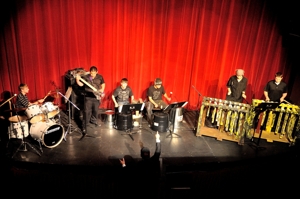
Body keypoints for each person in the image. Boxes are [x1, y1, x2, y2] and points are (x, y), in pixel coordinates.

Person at [76, 66, 105, 133]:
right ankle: (84, 126)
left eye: (94, 73)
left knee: (95, 110)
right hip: (88, 97)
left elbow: (103, 83)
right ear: (90, 72)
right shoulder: (86, 77)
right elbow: (81, 84)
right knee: (87, 112)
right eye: (91, 73)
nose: (93, 75)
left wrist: (102, 89)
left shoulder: (100, 77)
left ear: (97, 72)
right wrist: (77, 80)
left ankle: (93, 121)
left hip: (96, 97)